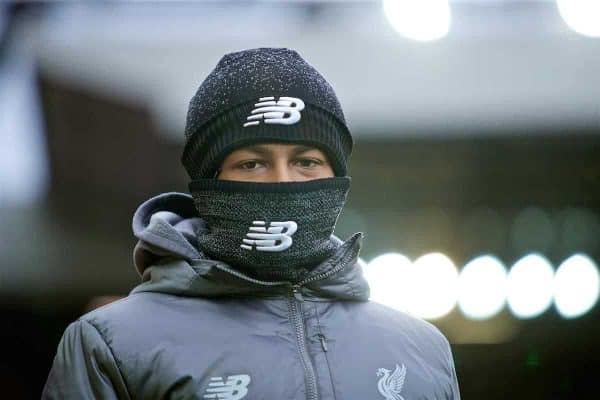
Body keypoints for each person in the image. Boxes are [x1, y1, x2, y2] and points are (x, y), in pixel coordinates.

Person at [42, 47, 461, 400]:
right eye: (252, 163)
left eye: (306, 162)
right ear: (208, 183)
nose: (282, 180)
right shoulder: (112, 345)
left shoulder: (422, 349)